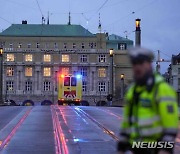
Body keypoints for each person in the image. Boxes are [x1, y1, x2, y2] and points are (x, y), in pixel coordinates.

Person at [117, 47, 179, 154]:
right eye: (135, 63)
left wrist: (165, 149)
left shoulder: (162, 89)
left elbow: (171, 125)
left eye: (141, 63)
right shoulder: (133, 90)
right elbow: (127, 122)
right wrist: (122, 145)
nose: (137, 67)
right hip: (136, 148)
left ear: (149, 64)